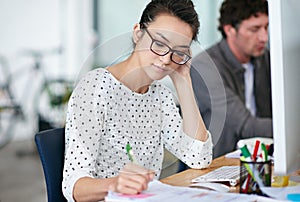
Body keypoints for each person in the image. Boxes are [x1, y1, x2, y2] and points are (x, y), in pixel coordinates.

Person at [62, 0, 213, 201]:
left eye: (178, 52)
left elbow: (199, 158)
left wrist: (183, 79)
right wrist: (115, 184)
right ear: (137, 33)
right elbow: (74, 187)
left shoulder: (160, 95)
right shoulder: (94, 87)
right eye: (159, 44)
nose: (166, 59)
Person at [191, 0, 272, 158]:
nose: (264, 37)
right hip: (218, 164)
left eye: (266, 27)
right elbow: (246, 126)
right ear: (230, 30)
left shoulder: (265, 58)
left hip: (263, 156)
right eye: (254, 29)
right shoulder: (204, 67)